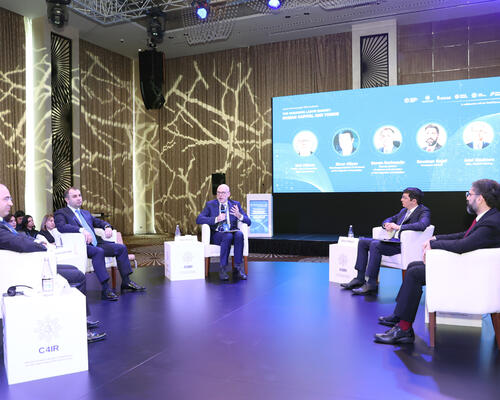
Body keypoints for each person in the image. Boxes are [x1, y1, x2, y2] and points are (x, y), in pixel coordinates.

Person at [375, 179, 500, 344]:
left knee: (414, 272)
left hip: (472, 275)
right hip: (471, 268)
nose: (467, 197)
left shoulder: (491, 222)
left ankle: (404, 328)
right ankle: (400, 318)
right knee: (413, 267)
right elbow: (464, 236)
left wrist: (433, 245)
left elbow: (463, 245)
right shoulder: (488, 217)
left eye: (469, 194)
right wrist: (436, 238)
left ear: (480, 198)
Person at [0, 183, 105, 343]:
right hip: (25, 274)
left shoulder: (3, 224)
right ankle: (79, 329)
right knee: (78, 276)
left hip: (28, 266)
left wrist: (36, 242)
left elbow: (20, 238)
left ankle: (82, 319)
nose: (11, 203)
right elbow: (19, 243)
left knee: (73, 269)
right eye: (6, 198)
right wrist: (41, 244)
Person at [54, 187, 145, 301]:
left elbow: (99, 222)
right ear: (67, 200)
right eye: (74, 196)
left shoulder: (85, 213)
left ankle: (126, 281)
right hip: (81, 246)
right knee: (98, 252)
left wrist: (107, 227)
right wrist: (81, 230)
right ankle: (106, 289)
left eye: (79, 195)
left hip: (97, 243)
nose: (79, 198)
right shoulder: (61, 213)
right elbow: (62, 227)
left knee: (121, 248)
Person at [341, 187, 431, 295]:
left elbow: (423, 225)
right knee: (363, 242)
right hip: (393, 241)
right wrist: (386, 224)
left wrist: (399, 227)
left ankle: (371, 283)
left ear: (414, 200)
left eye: (404, 198)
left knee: (375, 245)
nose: (401, 199)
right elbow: (389, 219)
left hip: (404, 245)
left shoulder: (423, 211)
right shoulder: (404, 211)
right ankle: (359, 278)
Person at [196, 184, 251, 281]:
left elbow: (249, 222)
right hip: (217, 234)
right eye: (218, 193)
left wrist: (239, 215)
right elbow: (199, 219)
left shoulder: (235, 204)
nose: (220, 195)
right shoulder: (210, 205)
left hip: (232, 231)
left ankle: (237, 268)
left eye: (223, 193)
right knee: (227, 236)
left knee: (239, 234)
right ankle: (223, 268)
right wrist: (216, 219)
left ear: (228, 194)